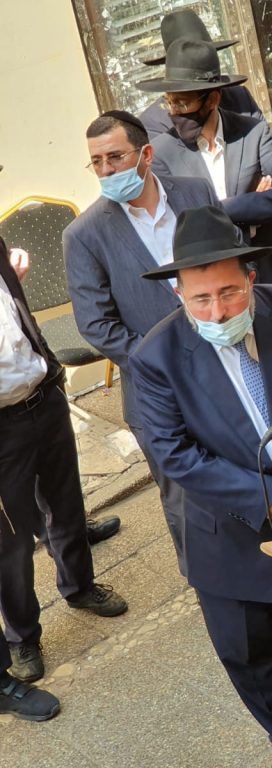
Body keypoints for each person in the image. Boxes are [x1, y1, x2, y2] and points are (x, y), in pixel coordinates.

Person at [129, 206, 272, 768]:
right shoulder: (152, 358)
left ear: (251, 280)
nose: (218, 310)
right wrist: (267, 496)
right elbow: (172, 453)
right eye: (200, 299)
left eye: (230, 293)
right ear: (178, 294)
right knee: (249, 649)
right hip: (223, 523)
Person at [64, 110, 219, 572]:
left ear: (146, 154)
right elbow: (97, 325)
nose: (107, 170)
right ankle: (212, 586)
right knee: (188, 501)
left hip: (228, 363)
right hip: (158, 391)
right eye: (97, 162)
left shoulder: (197, 194)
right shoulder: (84, 235)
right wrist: (164, 363)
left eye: (116, 157)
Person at [1, 235, 129, 687]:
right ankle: (22, 636)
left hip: (42, 396)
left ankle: (79, 587)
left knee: (64, 502)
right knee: (10, 543)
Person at [138, 39, 272, 287]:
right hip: (212, 286)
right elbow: (181, 225)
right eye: (170, 102)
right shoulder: (161, 154)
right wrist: (249, 210)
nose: (174, 111)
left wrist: (214, 210)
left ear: (212, 100)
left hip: (270, 277)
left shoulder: (253, 132)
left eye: (182, 102)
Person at [136, 8, 263, 140]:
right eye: (189, 62)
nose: (174, 109)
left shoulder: (239, 98)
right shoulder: (154, 124)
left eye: (205, 57)